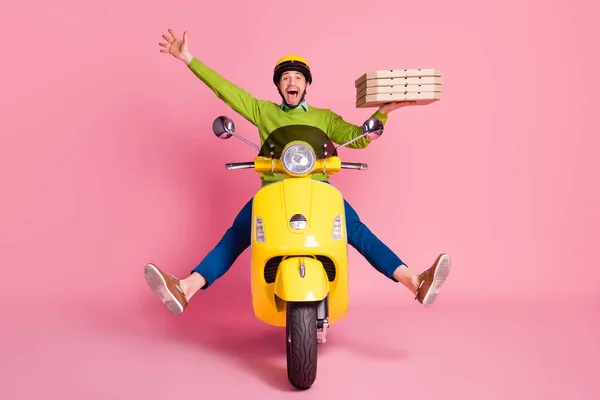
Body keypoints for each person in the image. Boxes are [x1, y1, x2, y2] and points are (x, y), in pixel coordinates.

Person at [144, 29, 451, 316]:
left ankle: (414, 281)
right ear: (279, 86)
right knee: (237, 235)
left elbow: (357, 139)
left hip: (318, 191)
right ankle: (186, 287)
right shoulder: (264, 110)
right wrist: (189, 59)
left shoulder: (324, 117)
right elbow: (227, 92)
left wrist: (383, 112)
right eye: (285, 78)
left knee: (356, 230)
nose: (291, 82)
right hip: (273, 191)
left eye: (298, 77)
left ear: (306, 85)